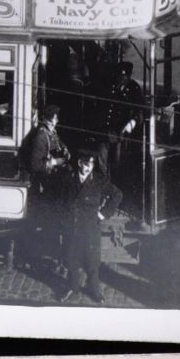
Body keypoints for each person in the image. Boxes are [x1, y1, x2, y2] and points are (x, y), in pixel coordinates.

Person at [60, 151, 121, 305]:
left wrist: (103, 214)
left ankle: (93, 289)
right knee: (72, 257)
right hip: (72, 226)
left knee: (92, 261)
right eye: (86, 164)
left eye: (92, 164)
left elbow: (117, 195)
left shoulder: (99, 181)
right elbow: (59, 199)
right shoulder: (68, 178)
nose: (89, 168)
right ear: (80, 163)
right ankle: (72, 286)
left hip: (90, 227)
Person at [23, 104, 70, 274]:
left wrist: (65, 149)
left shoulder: (50, 132)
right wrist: (57, 162)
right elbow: (35, 165)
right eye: (54, 118)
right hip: (45, 186)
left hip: (53, 182)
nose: (56, 122)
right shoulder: (40, 136)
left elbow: (57, 143)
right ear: (48, 119)